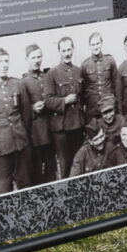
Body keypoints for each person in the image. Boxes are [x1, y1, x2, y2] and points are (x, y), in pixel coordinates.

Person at [0, 48, 31, 196]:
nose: (4, 65)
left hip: (20, 144)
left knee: (26, 184)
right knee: (3, 189)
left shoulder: (18, 85)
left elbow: (26, 114)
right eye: (0, 61)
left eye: (6, 61)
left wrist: (23, 135)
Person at [44, 38, 85, 180]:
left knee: (78, 163)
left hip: (78, 125)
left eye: (69, 49)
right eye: (64, 50)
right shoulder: (52, 74)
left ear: (73, 49)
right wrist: (65, 101)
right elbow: (47, 100)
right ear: (59, 52)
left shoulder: (79, 71)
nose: (67, 53)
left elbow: (83, 96)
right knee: (66, 166)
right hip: (61, 129)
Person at [19, 44, 54, 186]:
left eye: (39, 56)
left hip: (51, 129)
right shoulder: (23, 82)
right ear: (26, 59)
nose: (36, 60)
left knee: (52, 167)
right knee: (38, 170)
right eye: (33, 57)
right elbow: (22, 110)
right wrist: (32, 108)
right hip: (36, 134)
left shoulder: (47, 77)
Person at [77, 31, 118, 125]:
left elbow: (116, 84)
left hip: (109, 106)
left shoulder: (110, 60)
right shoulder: (85, 65)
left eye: (97, 43)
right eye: (93, 44)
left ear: (101, 43)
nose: (95, 47)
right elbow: (83, 89)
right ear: (89, 46)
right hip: (93, 108)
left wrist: (116, 105)